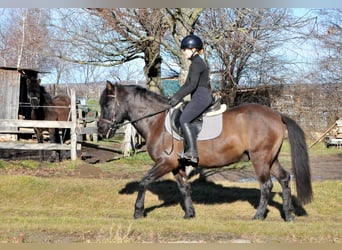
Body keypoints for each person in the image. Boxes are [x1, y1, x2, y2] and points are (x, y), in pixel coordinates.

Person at [169, 34, 212, 164]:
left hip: (201, 96)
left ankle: (192, 152)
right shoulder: (195, 63)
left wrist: (178, 97)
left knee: (183, 119)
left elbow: (192, 85)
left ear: (193, 49)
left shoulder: (197, 64)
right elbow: (187, 85)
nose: (183, 52)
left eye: (185, 49)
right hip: (198, 95)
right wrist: (175, 96)